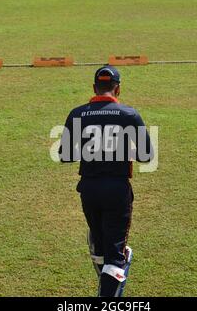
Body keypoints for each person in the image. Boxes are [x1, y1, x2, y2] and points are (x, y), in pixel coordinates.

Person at [59, 66, 153, 297]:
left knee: (101, 247)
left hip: (89, 190)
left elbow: (66, 155)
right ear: (118, 89)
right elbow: (146, 156)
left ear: (94, 88)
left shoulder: (77, 113)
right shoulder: (129, 115)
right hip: (117, 190)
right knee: (115, 255)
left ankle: (108, 283)